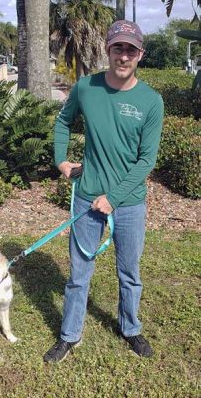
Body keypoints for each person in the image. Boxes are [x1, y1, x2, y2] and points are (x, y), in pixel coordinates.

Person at [44, 20, 164, 363]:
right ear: (107, 50)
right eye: (117, 48)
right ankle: (69, 335)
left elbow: (146, 161)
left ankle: (130, 329)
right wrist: (60, 160)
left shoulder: (151, 101)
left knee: (130, 273)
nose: (123, 56)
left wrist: (113, 198)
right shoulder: (86, 87)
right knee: (78, 273)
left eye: (130, 49)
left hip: (128, 205)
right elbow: (63, 121)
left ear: (139, 54)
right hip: (86, 197)